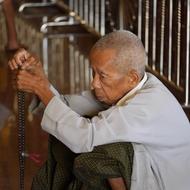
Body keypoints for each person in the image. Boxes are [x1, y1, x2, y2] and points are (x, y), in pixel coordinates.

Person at [8, 30, 190, 190]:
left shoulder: (148, 105)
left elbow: (84, 136)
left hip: (163, 183)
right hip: (144, 172)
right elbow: (66, 108)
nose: (94, 83)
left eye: (102, 76)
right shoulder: (129, 86)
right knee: (67, 132)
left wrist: (41, 89)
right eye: (93, 73)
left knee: (104, 149)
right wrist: (39, 78)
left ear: (132, 78)